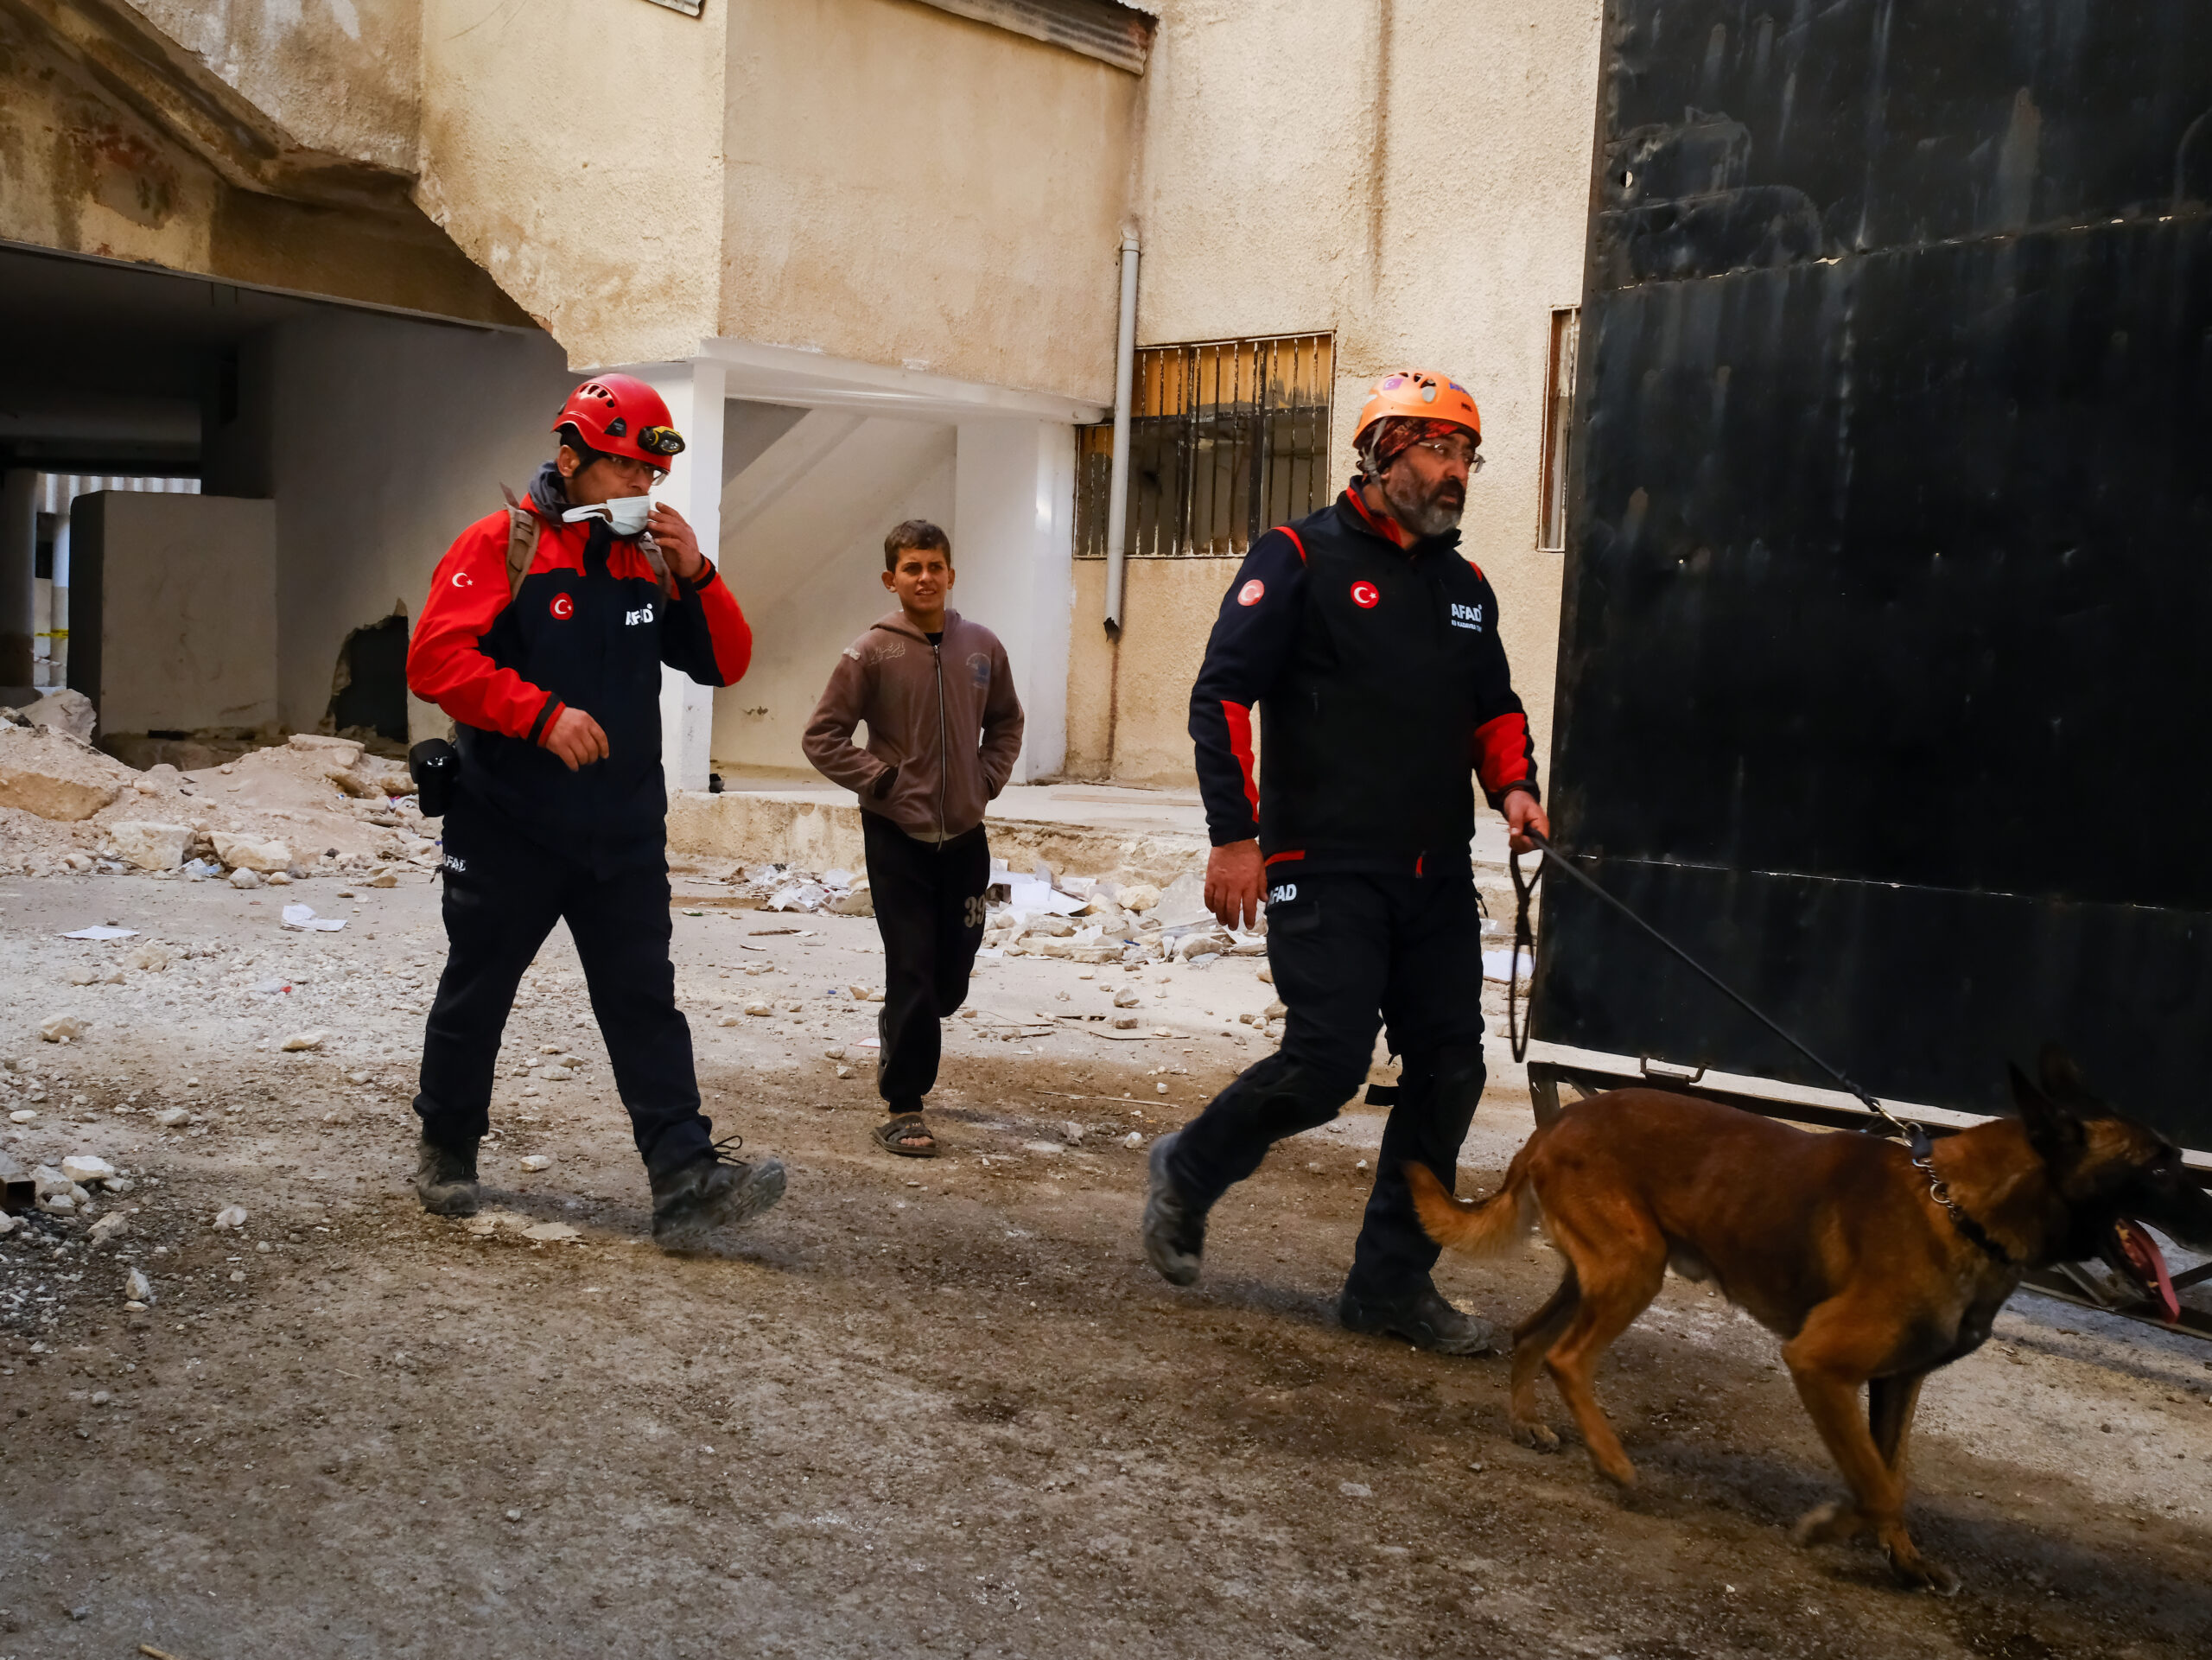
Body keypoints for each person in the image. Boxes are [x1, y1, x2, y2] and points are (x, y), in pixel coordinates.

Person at [1143, 369, 1551, 1353]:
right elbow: (1223, 697)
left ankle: (1387, 1287)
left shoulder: (1465, 587)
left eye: (1465, 454)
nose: (1455, 472)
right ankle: (1190, 1169)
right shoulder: (1296, 557)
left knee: (1451, 1070)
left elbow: (1490, 707)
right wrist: (1233, 835)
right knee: (1326, 1063)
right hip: (1318, 862)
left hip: (1433, 873)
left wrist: (1516, 788)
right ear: (1379, 454)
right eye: (1437, 450)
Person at [404, 373, 787, 1251]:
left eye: (649, 479)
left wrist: (699, 571)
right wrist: (538, 714)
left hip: (620, 835)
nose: (639, 492)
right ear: (571, 457)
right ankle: (447, 1145)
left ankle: (684, 1178)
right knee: (478, 993)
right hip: (507, 827)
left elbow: (726, 663)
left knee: (644, 1001)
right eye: (624, 471)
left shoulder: (646, 559)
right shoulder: (502, 544)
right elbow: (435, 660)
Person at [802, 520, 1024, 1158]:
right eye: (911, 568)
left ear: (951, 574)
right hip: (897, 836)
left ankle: (903, 1024)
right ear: (890, 579)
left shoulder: (982, 647)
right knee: (912, 969)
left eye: (934, 566)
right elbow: (823, 736)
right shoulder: (870, 652)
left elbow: (1007, 720)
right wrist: (882, 781)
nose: (924, 577)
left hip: (966, 838)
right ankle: (904, 1105)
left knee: (948, 981)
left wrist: (986, 778)